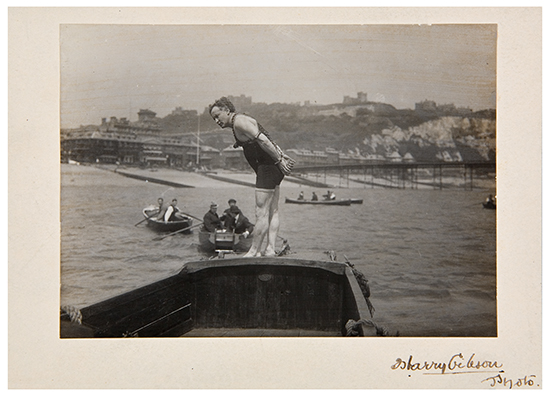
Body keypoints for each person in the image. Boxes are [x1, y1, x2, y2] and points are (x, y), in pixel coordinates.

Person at [209, 97, 295, 257]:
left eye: (217, 115)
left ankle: (254, 251)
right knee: (272, 210)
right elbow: (263, 137)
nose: (216, 120)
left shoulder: (239, 121)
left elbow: (263, 140)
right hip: (271, 168)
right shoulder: (238, 122)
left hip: (268, 168)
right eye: (213, 118)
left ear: (227, 110)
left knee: (260, 212)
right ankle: (269, 249)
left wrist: (279, 159)